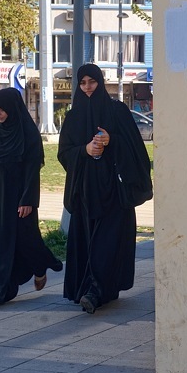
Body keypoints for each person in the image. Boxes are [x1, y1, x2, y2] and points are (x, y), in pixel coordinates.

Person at [58, 63, 152, 314]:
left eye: (92, 82)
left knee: (107, 243)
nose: (88, 88)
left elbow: (136, 150)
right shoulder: (73, 117)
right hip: (85, 192)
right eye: (83, 83)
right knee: (89, 242)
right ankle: (94, 290)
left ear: (100, 82)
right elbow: (64, 153)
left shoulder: (117, 112)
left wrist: (112, 141)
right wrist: (85, 150)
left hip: (113, 192)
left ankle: (96, 291)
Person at [0, 87, 63, 307]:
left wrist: (28, 200)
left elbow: (32, 169)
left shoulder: (27, 132)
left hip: (18, 196)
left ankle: (40, 266)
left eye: (1, 110)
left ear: (13, 108)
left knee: (25, 239)